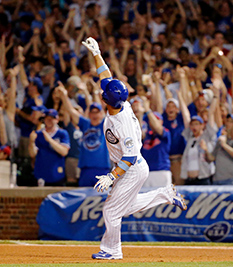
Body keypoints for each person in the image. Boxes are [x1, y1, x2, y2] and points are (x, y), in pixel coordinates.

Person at [81, 37, 186, 260]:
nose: (103, 90)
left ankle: (112, 251)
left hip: (131, 166)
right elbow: (106, 77)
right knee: (122, 207)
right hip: (132, 165)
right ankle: (164, 194)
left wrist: (111, 176)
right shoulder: (121, 102)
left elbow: (128, 156)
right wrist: (97, 53)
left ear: (106, 99)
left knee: (111, 210)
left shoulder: (122, 123)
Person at [28, 109, 70, 186]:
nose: (50, 120)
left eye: (52, 118)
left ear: (57, 120)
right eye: (47, 118)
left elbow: (64, 152)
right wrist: (31, 142)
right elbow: (32, 154)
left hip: (57, 175)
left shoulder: (62, 133)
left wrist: (50, 140)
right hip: (41, 174)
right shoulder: (38, 134)